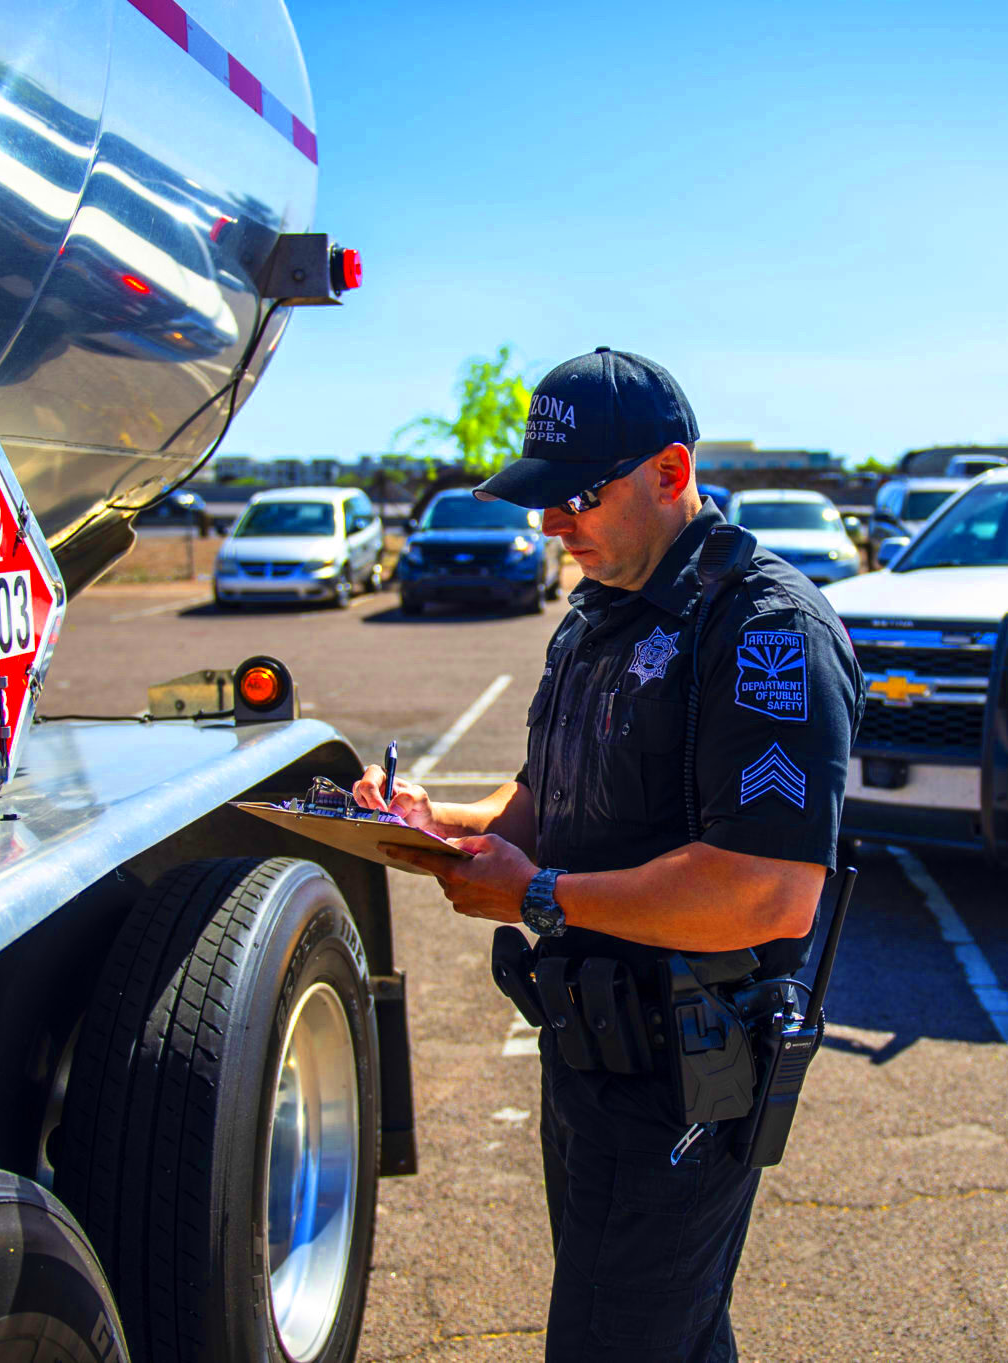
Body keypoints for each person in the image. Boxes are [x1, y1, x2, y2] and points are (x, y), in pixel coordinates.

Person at [355, 347, 859, 1362]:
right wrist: (441, 821)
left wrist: (536, 894)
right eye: (543, 498)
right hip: (584, 1051)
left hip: (685, 1075)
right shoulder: (592, 617)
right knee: (664, 1334)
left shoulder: (762, 632)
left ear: (671, 474)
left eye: (576, 496)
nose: (550, 524)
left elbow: (764, 893)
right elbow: (548, 800)